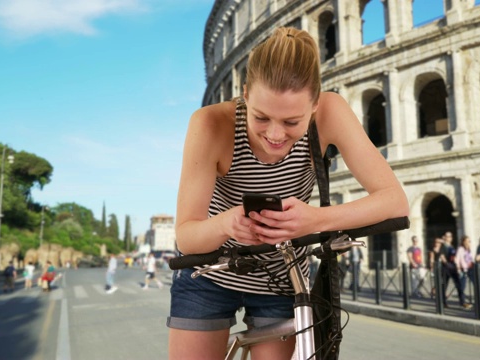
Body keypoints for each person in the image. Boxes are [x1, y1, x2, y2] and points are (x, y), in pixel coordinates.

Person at [167, 26, 409, 360]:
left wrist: (315, 220)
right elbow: (187, 237)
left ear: (314, 105)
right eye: (261, 118)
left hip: (281, 275)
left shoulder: (331, 112)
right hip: (209, 271)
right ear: (246, 93)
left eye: (293, 122)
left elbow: (394, 200)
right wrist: (227, 225)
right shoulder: (210, 124)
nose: (276, 134)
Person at [441, 231, 472, 309]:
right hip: (446, 269)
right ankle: (442, 303)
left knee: (459, 285)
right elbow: (442, 256)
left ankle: (463, 302)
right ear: (444, 237)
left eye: (451, 236)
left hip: (453, 268)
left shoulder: (452, 246)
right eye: (448, 236)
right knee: (444, 286)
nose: (450, 238)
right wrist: (447, 264)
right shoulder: (443, 246)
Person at [455, 235, 473, 303]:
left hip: (470, 269)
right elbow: (457, 259)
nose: (468, 242)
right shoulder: (460, 249)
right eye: (467, 241)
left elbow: (471, 258)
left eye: (469, 241)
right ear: (463, 242)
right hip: (463, 269)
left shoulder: (469, 249)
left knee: (476, 283)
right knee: (462, 286)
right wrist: (458, 268)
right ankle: (462, 302)